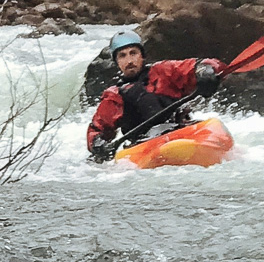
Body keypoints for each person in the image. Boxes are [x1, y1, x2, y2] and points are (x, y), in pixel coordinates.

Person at [87, 30, 225, 163]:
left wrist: (205, 71)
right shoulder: (114, 96)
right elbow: (97, 130)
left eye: (133, 53)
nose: (129, 60)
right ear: (117, 62)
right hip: (145, 144)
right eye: (122, 56)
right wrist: (99, 144)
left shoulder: (163, 71)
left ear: (142, 56)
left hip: (182, 131)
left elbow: (202, 65)